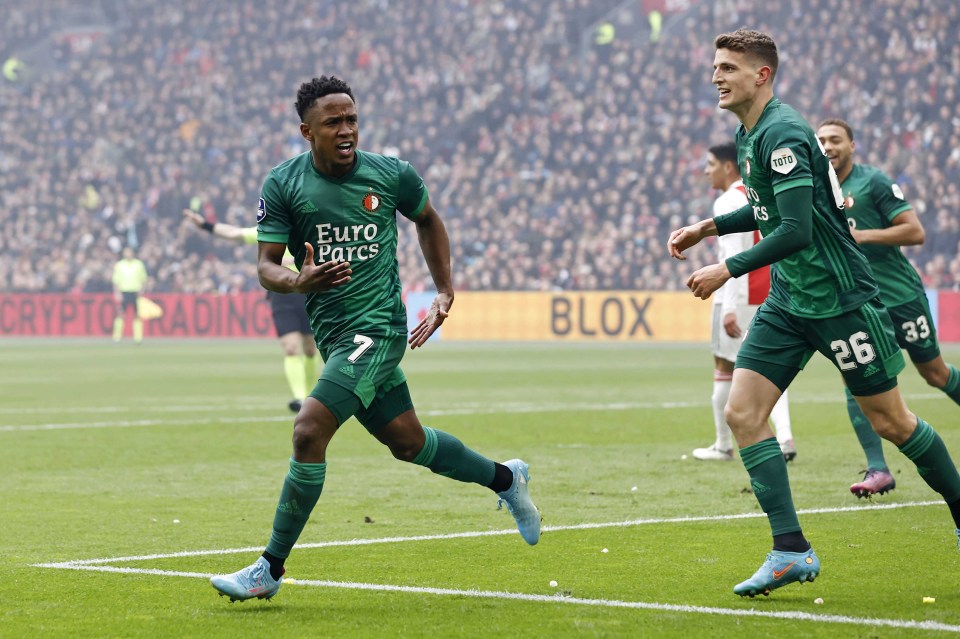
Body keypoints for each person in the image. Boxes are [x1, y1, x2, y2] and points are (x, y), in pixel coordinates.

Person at [210, 76, 541, 602]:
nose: (347, 131)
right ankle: (506, 479)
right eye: (333, 123)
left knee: (308, 429)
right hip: (336, 333)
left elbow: (427, 219)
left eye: (352, 120)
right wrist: (298, 280)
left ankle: (269, 568)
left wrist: (444, 290)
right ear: (307, 131)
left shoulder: (391, 174)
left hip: (380, 330)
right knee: (407, 442)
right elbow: (265, 267)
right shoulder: (282, 184)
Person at [668, 28, 960, 598]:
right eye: (715, 67)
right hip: (790, 301)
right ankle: (790, 550)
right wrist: (708, 227)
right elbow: (763, 207)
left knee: (892, 423)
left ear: (762, 75)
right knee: (743, 414)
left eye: (728, 67)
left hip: (840, 300)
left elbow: (797, 230)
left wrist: (726, 268)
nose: (716, 77)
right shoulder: (749, 133)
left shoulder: (781, 132)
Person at [817, 118, 960, 498]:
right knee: (855, 379)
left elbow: (915, 232)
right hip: (860, 304)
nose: (827, 146)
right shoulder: (815, 188)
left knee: (934, 373)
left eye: (835, 140)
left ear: (852, 145)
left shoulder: (873, 182)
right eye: (821, 141)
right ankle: (878, 469)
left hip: (899, 296)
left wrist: (862, 235)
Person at [694, 142, 795, 463]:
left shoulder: (728, 201)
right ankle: (786, 437)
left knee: (724, 367)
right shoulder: (759, 195)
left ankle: (723, 446)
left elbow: (733, 256)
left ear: (728, 167)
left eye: (710, 164)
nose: (706, 170)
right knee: (769, 369)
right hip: (768, 294)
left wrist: (731, 306)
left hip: (735, 297)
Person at [183, 209, 319, 413]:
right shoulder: (271, 232)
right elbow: (235, 233)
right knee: (291, 347)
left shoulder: (311, 231)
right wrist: (205, 224)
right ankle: (299, 398)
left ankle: (310, 396)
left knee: (310, 348)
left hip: (308, 292)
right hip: (280, 293)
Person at [111, 246, 148, 343]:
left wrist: (142, 290)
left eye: (129, 252)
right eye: (126, 252)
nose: (128, 254)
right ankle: (117, 336)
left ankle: (138, 337)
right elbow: (116, 281)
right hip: (124, 292)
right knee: (120, 314)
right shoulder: (119, 265)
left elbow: (144, 279)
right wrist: (117, 293)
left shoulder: (138, 264)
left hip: (135, 292)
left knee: (137, 315)